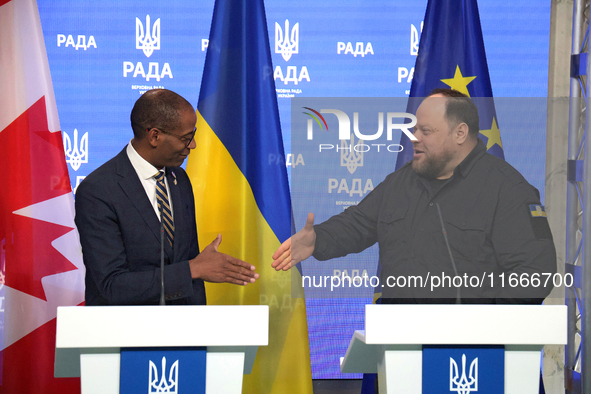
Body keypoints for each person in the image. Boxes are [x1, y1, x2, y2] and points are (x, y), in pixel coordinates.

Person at [272, 89, 556, 303]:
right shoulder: (401, 182)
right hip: (399, 349)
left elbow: (535, 274)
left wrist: (471, 314)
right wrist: (318, 238)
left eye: (426, 131)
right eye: (414, 128)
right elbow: (357, 224)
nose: (413, 136)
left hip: (473, 356)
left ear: (460, 133)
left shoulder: (508, 190)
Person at [76, 89, 258, 306]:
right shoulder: (98, 190)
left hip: (182, 334)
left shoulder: (179, 179)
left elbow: (191, 275)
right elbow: (111, 285)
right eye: (186, 138)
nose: (192, 145)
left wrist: (198, 335)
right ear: (155, 136)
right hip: (127, 334)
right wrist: (193, 268)